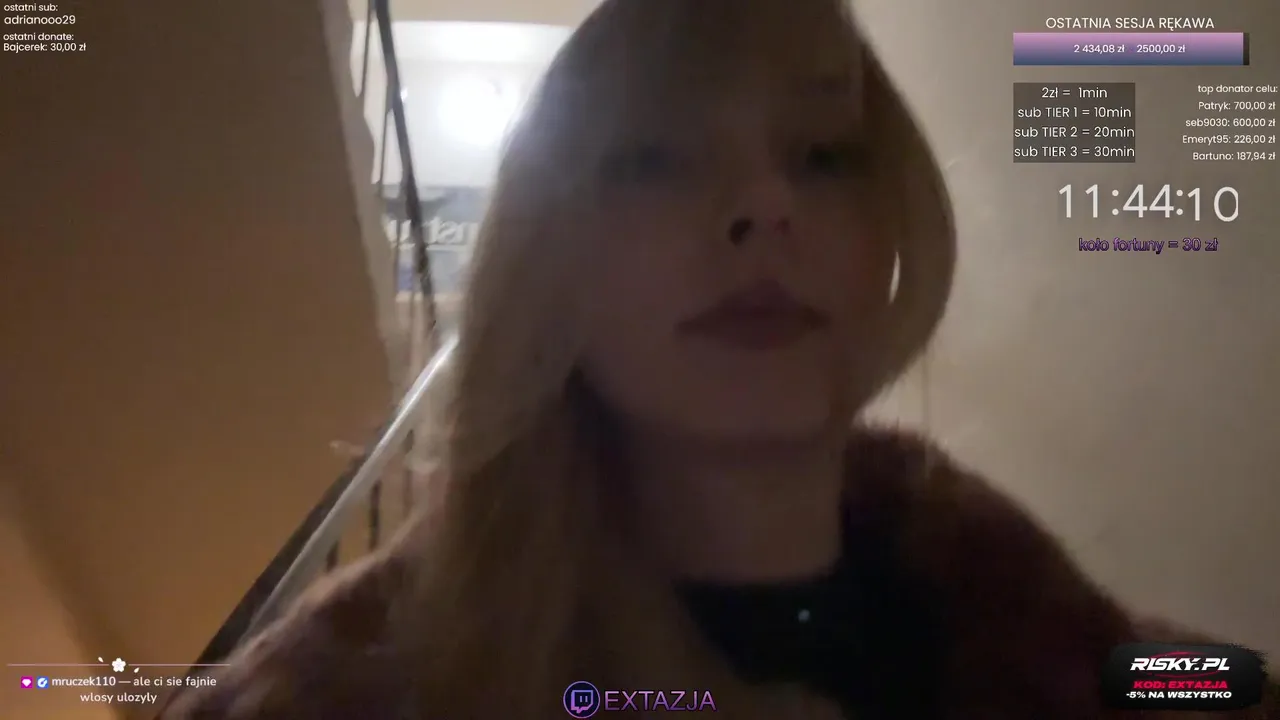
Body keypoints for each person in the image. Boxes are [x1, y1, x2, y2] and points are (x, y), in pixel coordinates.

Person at [164, 0, 1276, 717]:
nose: (763, 205)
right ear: (548, 259)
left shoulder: (1059, 639)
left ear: (892, 227)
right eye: (653, 160)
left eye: (822, 154)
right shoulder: (351, 690)